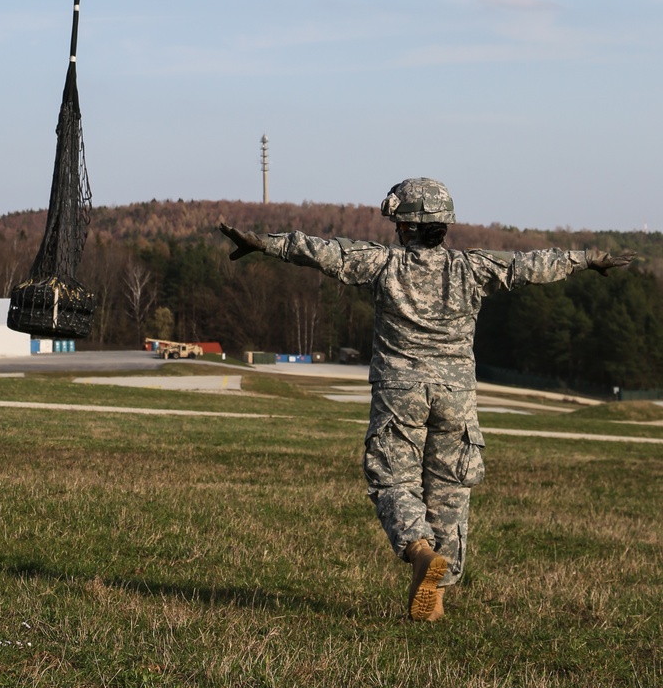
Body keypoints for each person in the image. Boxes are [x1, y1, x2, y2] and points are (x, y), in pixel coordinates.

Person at [220, 180, 634, 623]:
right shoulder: (472, 267)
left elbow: (323, 252)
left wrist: (264, 243)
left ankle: (419, 550)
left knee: (394, 481)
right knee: (450, 490)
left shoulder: (384, 263)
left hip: (401, 392)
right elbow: (532, 264)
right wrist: (588, 259)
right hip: (457, 396)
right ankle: (434, 599)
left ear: (407, 226)